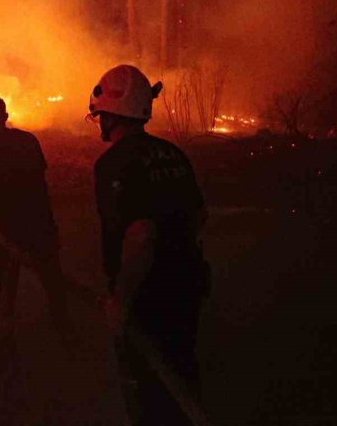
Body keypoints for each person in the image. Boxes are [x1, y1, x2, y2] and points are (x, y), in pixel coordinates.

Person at [88, 65, 210, 426]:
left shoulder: (114, 163)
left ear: (113, 114)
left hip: (147, 297)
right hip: (187, 286)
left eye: (100, 115)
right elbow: (199, 215)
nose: (99, 122)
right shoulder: (172, 153)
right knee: (180, 372)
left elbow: (140, 235)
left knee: (145, 388)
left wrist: (121, 302)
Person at [0, 96, 68, 367]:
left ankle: (2, 349)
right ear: (6, 116)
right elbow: (39, 178)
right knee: (53, 281)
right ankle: (68, 336)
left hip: (10, 232)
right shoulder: (29, 141)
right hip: (42, 225)